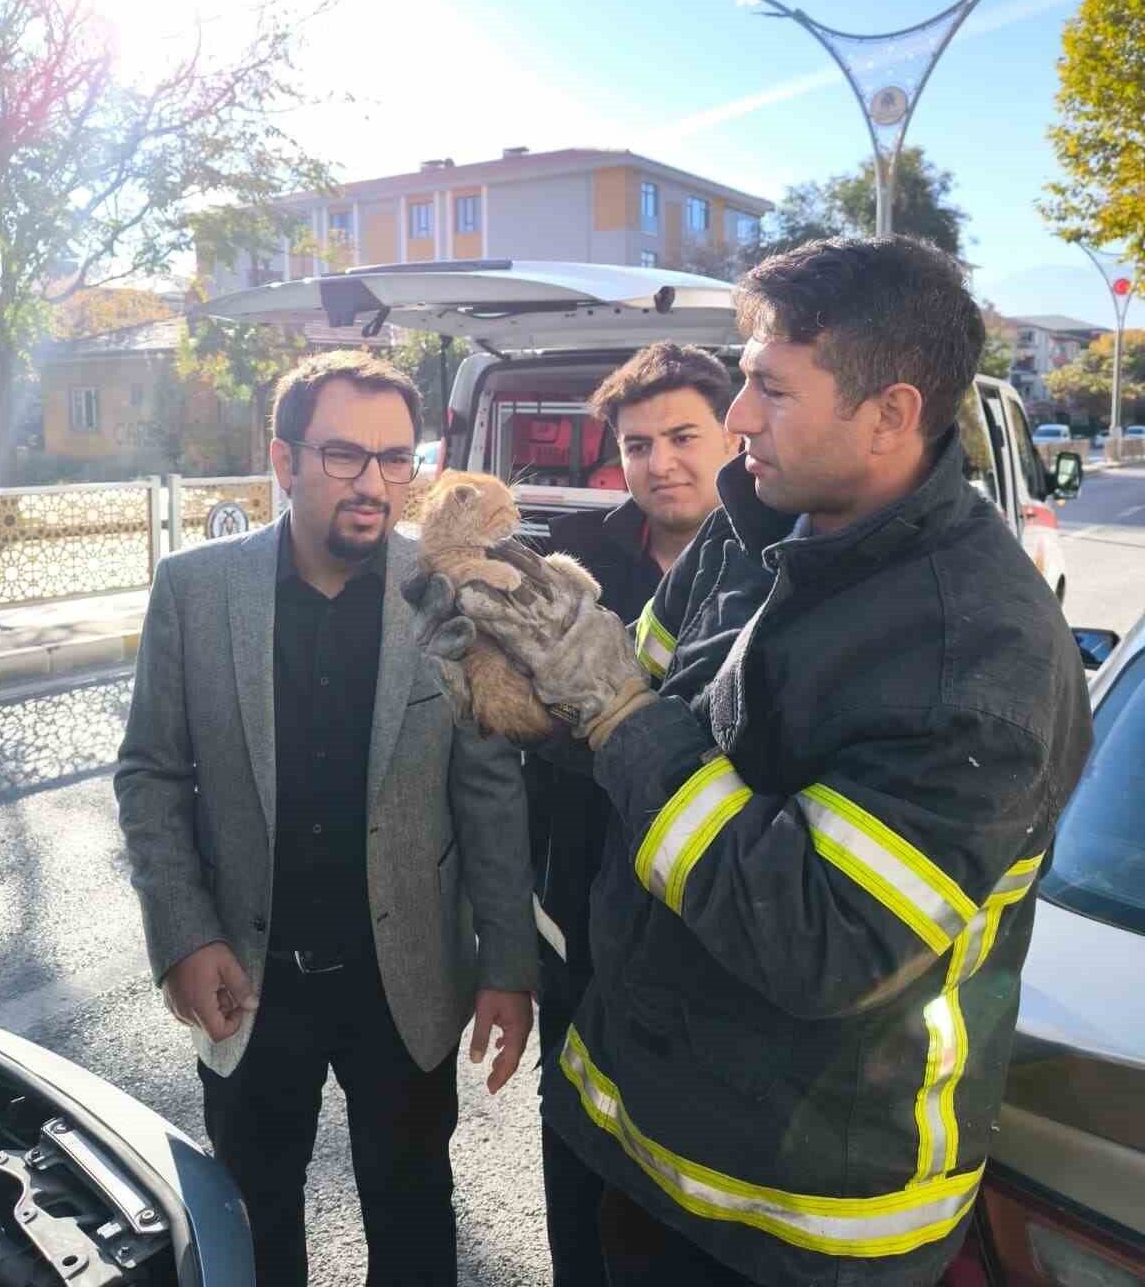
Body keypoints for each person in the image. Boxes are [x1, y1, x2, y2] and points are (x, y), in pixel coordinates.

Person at [416, 238, 1093, 1286]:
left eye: (772, 389)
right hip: (643, 1146)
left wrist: (614, 710)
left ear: (891, 413)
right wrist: (523, 692)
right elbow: (624, 739)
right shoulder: (751, 533)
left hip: (800, 1222)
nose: (737, 417)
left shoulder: (978, 652)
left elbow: (818, 939)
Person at [115, 348, 536, 1287]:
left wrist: (508, 964)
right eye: (344, 455)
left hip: (407, 980)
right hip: (248, 979)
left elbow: (489, 789)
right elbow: (151, 775)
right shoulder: (195, 591)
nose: (375, 484)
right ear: (284, 460)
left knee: (414, 1214)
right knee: (252, 1224)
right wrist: (183, 935)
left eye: (396, 459)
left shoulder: (448, 591)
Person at [532, 342, 737, 1287]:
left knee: (682, 1205)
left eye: (684, 437)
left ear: (736, 435)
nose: (661, 463)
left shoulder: (781, 570)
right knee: (574, 1162)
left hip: (712, 937)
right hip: (578, 923)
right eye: (638, 444)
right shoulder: (571, 568)